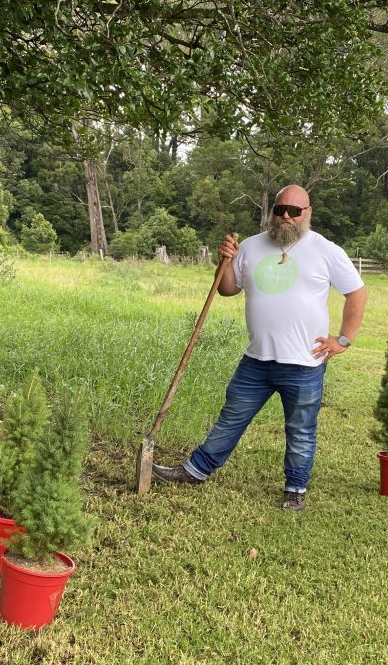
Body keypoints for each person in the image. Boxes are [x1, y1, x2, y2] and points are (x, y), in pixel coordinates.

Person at [152, 184, 367, 511]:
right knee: (230, 418)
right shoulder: (251, 247)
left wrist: (343, 339)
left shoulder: (326, 250)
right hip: (257, 361)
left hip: (305, 363)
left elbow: (356, 292)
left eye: (294, 211)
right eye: (280, 209)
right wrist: (224, 262)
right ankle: (195, 471)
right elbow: (227, 289)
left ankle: (295, 488)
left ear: (307, 214)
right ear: (272, 212)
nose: (285, 217)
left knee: (300, 431)